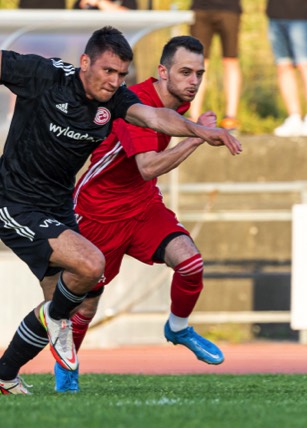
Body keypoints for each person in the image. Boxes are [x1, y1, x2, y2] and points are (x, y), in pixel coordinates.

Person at [0, 26, 242, 395]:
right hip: (15, 201)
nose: (114, 82)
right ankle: (60, 340)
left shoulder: (115, 100)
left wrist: (200, 131)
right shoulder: (42, 75)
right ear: (85, 63)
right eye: (107, 71)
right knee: (89, 268)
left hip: (59, 206)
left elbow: (155, 118)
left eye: (120, 75)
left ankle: (5, 375)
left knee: (66, 302)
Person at [53, 35, 224, 392]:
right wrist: (198, 136)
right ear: (162, 72)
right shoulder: (135, 104)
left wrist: (197, 126)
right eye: (185, 72)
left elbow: (146, 177)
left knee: (190, 263)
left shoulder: (174, 105)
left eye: (199, 74)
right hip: (99, 213)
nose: (193, 81)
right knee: (84, 308)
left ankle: (177, 328)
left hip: (143, 206)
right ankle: (66, 374)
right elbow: (148, 166)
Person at [266, 0, 307, 137]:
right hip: (274, 15)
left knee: (305, 65)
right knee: (283, 65)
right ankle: (294, 117)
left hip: (300, 16)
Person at [189, 0, 242, 131]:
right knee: (198, 63)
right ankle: (193, 115)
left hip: (230, 9)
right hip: (200, 10)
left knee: (231, 61)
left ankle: (231, 116)